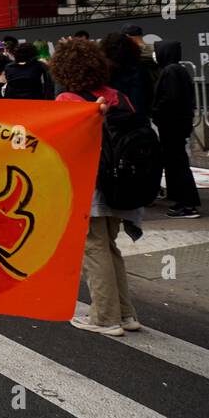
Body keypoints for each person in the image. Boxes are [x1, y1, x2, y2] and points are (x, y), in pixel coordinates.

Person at [50, 38, 141, 337]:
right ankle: (126, 314)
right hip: (121, 182)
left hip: (90, 181)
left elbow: (62, 146)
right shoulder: (117, 96)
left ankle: (104, 317)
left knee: (93, 246)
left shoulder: (68, 101)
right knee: (110, 246)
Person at [152, 41, 200, 218]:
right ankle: (183, 202)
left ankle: (186, 203)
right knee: (177, 163)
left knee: (177, 164)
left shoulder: (170, 71)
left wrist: (155, 111)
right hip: (177, 125)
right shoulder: (178, 70)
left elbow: (169, 99)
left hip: (172, 125)